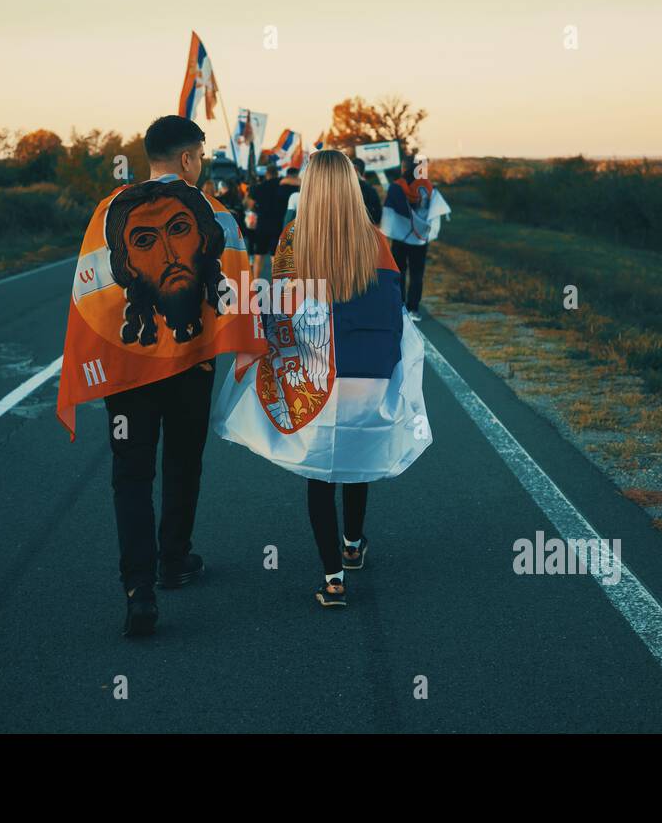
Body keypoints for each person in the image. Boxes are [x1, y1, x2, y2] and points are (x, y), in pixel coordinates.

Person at [55, 115, 264, 638]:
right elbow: (238, 291)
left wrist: (102, 355)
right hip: (193, 364)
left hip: (129, 372)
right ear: (190, 158)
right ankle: (174, 559)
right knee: (183, 461)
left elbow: (89, 296)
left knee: (131, 473)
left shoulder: (108, 212)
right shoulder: (214, 213)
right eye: (202, 157)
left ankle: (138, 589)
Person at [213, 149, 432, 608]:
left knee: (319, 473)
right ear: (352, 187)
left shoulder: (293, 239)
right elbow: (391, 314)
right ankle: (354, 544)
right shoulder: (375, 240)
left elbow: (283, 315)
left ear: (308, 189)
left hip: (317, 376)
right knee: (355, 458)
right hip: (366, 376)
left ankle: (332, 579)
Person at [380, 155, 451, 321]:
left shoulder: (396, 187)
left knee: (399, 271)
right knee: (417, 273)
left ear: (404, 168)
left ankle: (400, 305)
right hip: (420, 239)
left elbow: (390, 211)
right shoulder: (428, 187)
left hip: (400, 237)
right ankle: (414, 308)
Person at [247, 161, 283, 277]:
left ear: (267, 174)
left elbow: (250, 205)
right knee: (275, 255)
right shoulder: (281, 186)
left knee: (259, 254)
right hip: (278, 225)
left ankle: (255, 280)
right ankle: (276, 283)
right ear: (277, 174)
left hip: (262, 225)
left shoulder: (259, 187)